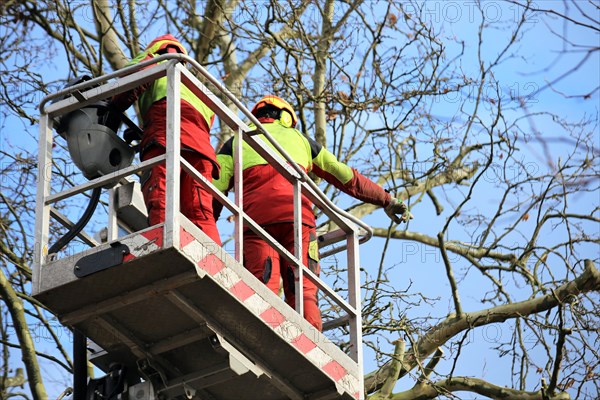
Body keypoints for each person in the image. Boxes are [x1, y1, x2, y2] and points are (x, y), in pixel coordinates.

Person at [212, 95, 412, 330]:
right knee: (304, 291)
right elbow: (346, 176)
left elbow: (213, 186)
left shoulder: (236, 141)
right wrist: (386, 199)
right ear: (286, 117)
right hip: (299, 222)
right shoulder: (302, 140)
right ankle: (309, 343)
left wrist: (202, 226)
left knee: (261, 284)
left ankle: (261, 335)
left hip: (256, 223)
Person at [110, 34, 221, 245]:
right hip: (201, 151)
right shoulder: (197, 87)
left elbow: (127, 85)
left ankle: (162, 246)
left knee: (161, 198)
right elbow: (196, 120)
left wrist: (111, 109)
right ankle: (214, 260)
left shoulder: (154, 60)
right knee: (200, 210)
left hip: (164, 141)